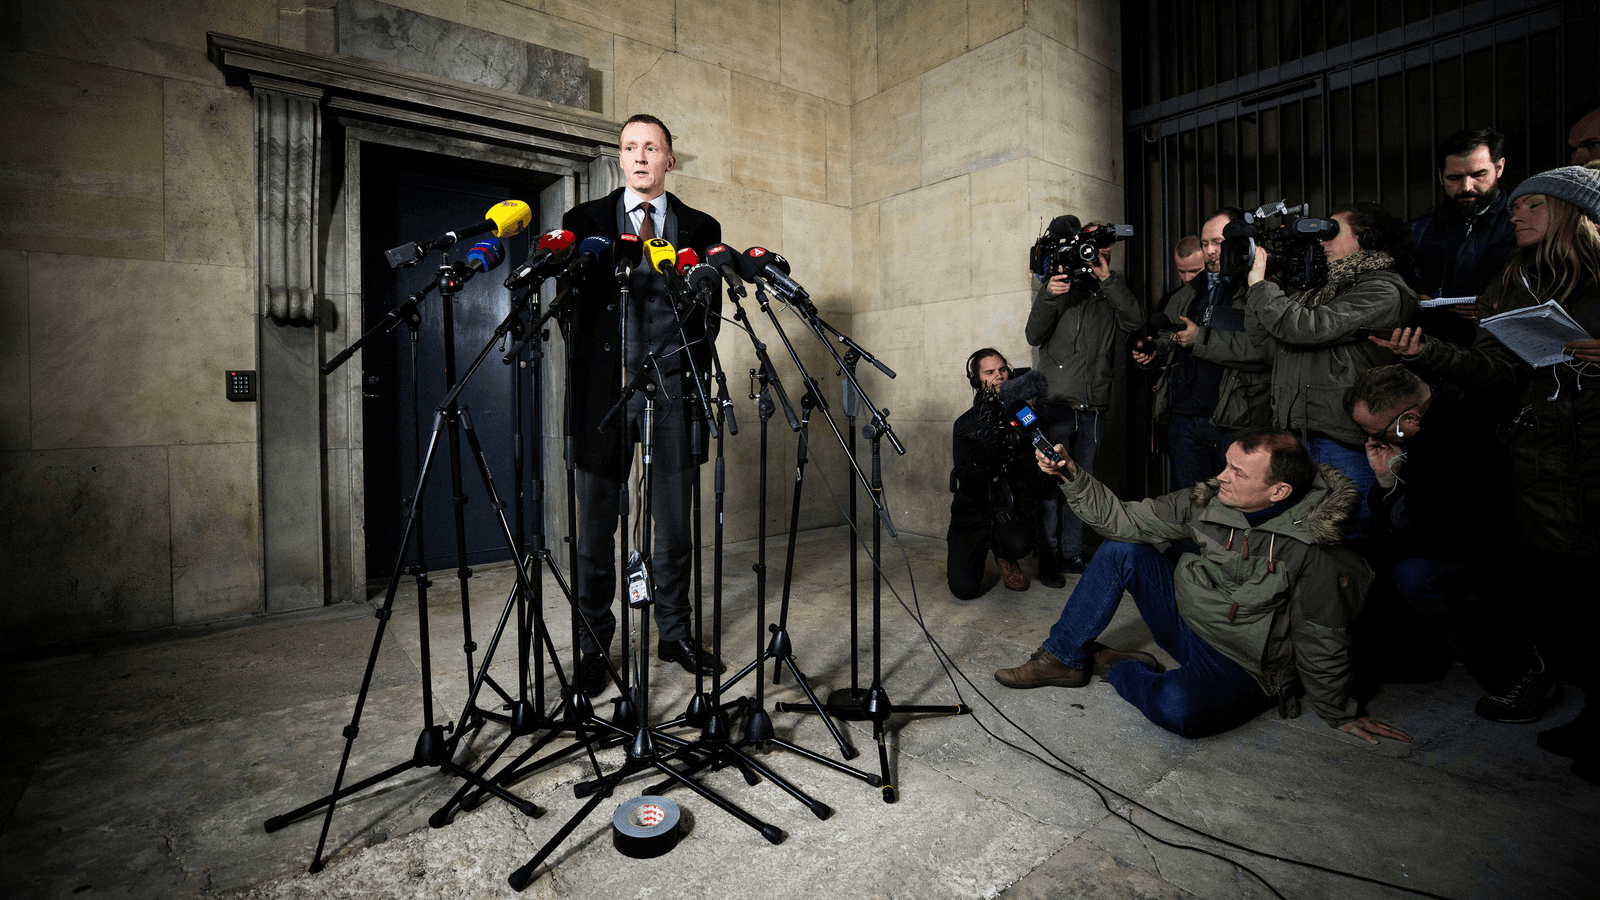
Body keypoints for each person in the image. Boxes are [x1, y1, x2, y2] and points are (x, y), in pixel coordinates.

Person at [1372, 165, 1600, 781]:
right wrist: (1429, 354)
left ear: (1572, 211)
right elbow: (1498, 372)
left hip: (1596, 456)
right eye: (1516, 205)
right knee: (1568, 596)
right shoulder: (1516, 278)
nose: (1517, 214)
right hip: (1543, 460)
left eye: (1532, 205)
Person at [994, 427, 1409, 744]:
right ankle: (1063, 657)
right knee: (1123, 548)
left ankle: (1120, 666)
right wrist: (1070, 474)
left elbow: (1322, 637)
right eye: (1226, 464)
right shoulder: (1209, 500)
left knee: (1180, 708)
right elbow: (1122, 519)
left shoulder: (1314, 550)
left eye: (1236, 472)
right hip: (1190, 626)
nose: (1220, 476)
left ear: (1278, 490)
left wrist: (1339, 711)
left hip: (1244, 664)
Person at [561, 114, 724, 696]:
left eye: (651, 148)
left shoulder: (701, 226)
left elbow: (710, 318)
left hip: (674, 394)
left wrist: (686, 374)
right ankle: (592, 643)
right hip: (605, 399)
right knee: (595, 528)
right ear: (619, 158)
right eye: (630, 147)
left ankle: (674, 633)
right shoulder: (583, 222)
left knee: (674, 526)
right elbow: (570, 313)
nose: (639, 157)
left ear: (669, 160)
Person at [1343, 365, 1546, 722]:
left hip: (1501, 559)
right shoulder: (1427, 429)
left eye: (1378, 431)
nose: (1373, 439)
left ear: (1408, 418)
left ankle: (1522, 675)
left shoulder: (1461, 437)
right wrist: (1388, 482)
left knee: (1413, 574)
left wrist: (1394, 519)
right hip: (1452, 545)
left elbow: (1443, 529)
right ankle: (1414, 657)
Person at [1244, 201, 1421, 536]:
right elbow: (1269, 348)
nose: (1322, 241)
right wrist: (1258, 295)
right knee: (1302, 537)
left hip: (1342, 439)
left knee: (1350, 534)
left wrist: (1261, 287)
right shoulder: (1320, 290)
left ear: (1367, 239)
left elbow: (1306, 328)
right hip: (1298, 434)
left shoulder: (1382, 290)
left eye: (1332, 232)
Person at [1025, 221, 1143, 573]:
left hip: (1092, 406)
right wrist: (1049, 294)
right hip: (1056, 405)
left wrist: (1107, 279)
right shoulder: (1059, 286)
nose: (1099, 250)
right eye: (1092, 244)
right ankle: (1048, 556)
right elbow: (1033, 335)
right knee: (1050, 485)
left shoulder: (1111, 290)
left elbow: (1135, 321)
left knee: (1082, 484)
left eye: (1105, 246)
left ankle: (1072, 553)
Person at [1136, 209, 1272, 490]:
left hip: (1233, 423)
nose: (1210, 251)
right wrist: (1153, 353)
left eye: (1218, 243)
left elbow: (1264, 352)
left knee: (1235, 504)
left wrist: (1200, 340)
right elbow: (1171, 338)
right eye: (1205, 243)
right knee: (1189, 508)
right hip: (1182, 420)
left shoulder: (1261, 291)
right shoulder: (1186, 294)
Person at [946, 350, 1059, 597]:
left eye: (1003, 370)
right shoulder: (964, 424)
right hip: (972, 511)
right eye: (990, 372)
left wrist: (1028, 450)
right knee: (963, 590)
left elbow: (1038, 479)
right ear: (976, 380)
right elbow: (967, 485)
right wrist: (981, 459)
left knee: (1020, 544)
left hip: (1008, 506)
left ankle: (1005, 555)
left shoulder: (1023, 415)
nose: (999, 376)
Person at [1405, 128, 1518, 346]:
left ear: (1499, 167)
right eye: (1454, 178)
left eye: (1478, 175)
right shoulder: (1420, 229)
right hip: (1429, 353)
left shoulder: (1522, 224)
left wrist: (1501, 308)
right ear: (1440, 176)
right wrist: (1409, 299)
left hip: (1498, 355)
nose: (1466, 187)